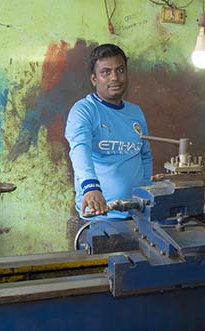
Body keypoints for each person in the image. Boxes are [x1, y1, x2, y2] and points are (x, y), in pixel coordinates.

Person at [64, 44, 153, 219]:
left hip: (138, 212)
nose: (115, 77)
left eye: (120, 70)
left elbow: (145, 155)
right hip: (101, 214)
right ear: (94, 79)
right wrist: (91, 187)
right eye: (106, 72)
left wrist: (147, 193)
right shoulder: (84, 110)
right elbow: (80, 150)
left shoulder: (136, 112)